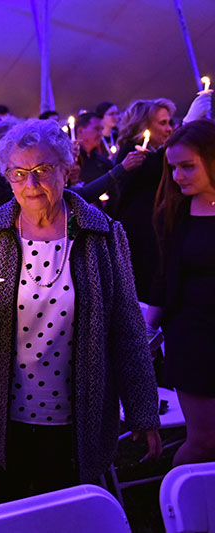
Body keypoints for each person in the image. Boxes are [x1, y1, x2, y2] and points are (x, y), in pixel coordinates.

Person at [0, 118, 161, 504]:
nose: (30, 185)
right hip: (4, 413)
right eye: (19, 173)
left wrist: (143, 411)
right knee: (5, 513)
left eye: (43, 170)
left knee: (64, 512)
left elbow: (128, 327)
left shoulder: (103, 235)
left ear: (66, 170)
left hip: (77, 411)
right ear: (7, 176)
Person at [148, 119, 215, 466]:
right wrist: (144, 333)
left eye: (187, 166)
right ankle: (178, 509)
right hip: (194, 340)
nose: (177, 177)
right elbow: (164, 278)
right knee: (204, 441)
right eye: (173, 168)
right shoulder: (174, 213)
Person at [111, 98, 176, 301]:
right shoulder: (132, 152)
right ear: (144, 125)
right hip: (139, 234)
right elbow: (153, 168)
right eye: (162, 123)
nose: (169, 129)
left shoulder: (155, 153)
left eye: (170, 123)